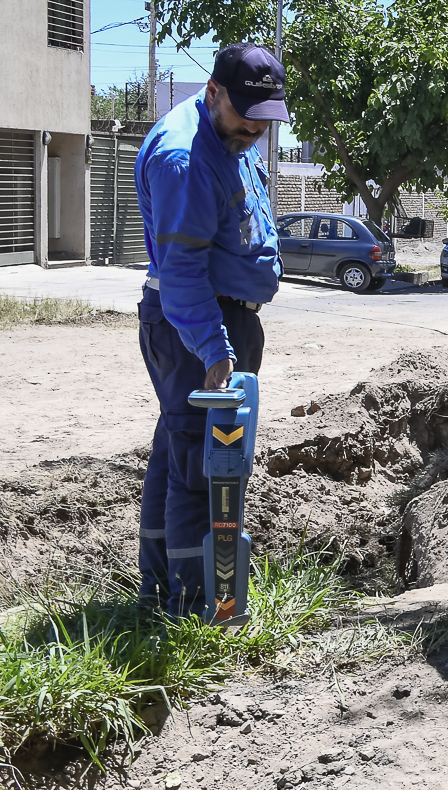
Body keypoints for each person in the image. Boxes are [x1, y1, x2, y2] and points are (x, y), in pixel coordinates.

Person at [134, 43, 287, 617]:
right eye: (246, 114)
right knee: (206, 468)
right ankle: (200, 607)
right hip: (197, 326)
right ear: (213, 91)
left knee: (179, 453)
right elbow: (181, 274)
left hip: (220, 319)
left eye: (264, 118)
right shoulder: (185, 158)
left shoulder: (230, 135)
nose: (255, 128)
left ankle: (159, 591)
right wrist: (215, 351)